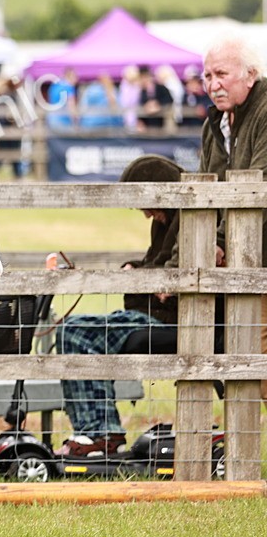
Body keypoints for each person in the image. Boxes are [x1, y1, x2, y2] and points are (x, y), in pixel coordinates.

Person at [56, 156, 186, 457]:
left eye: (145, 205)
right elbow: (157, 266)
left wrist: (144, 278)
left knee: (75, 333)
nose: (145, 215)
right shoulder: (164, 221)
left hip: (167, 318)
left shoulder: (187, 219)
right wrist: (136, 268)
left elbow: (171, 279)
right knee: (70, 330)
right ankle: (93, 432)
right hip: (149, 311)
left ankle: (101, 434)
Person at [199, 34, 267, 400]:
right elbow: (203, 193)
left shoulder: (265, 112)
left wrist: (221, 242)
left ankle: (242, 450)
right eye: (207, 76)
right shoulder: (215, 124)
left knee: (255, 363)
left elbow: (259, 183)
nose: (213, 84)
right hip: (234, 265)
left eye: (221, 73)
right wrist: (211, 243)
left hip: (261, 259)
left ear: (250, 74)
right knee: (232, 358)